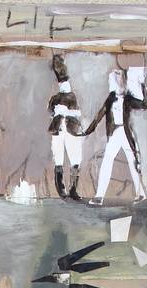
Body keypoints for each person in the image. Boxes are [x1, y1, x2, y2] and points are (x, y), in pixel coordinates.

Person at [84, 69, 147, 205]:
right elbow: (100, 114)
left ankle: (140, 194)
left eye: (120, 77)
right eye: (116, 77)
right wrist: (88, 131)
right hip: (115, 133)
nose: (118, 80)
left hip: (126, 133)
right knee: (107, 161)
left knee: (133, 162)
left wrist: (143, 86)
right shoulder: (111, 98)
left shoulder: (128, 99)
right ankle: (99, 196)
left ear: (125, 81)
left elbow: (146, 105)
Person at [47, 54, 85, 200]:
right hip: (58, 130)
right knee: (58, 159)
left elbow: (77, 113)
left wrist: (65, 112)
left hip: (70, 130)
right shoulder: (55, 98)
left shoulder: (71, 97)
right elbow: (50, 112)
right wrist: (58, 113)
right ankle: (61, 190)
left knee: (75, 159)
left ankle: (73, 189)